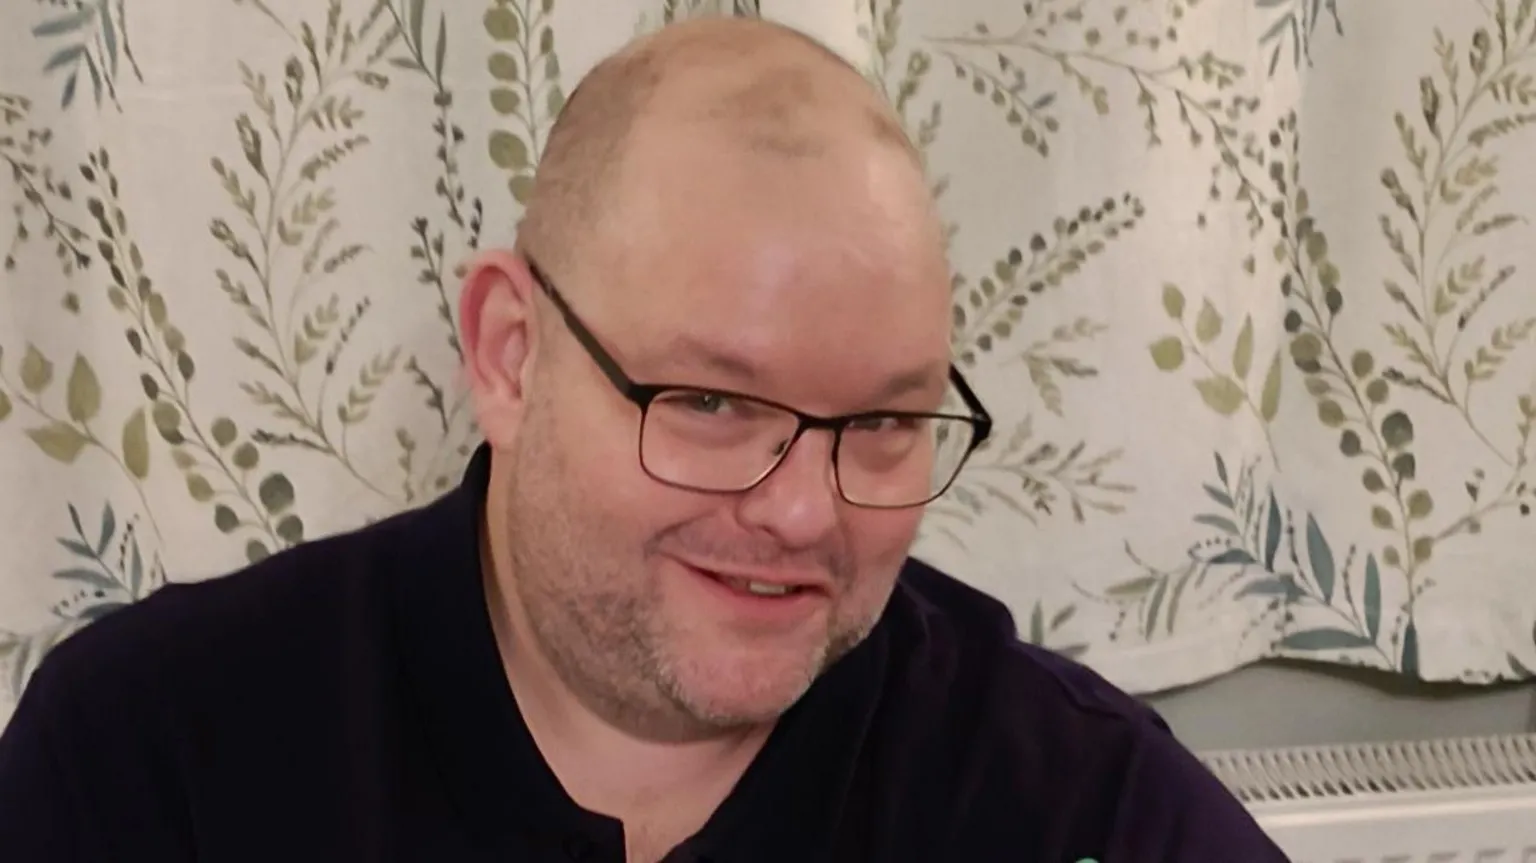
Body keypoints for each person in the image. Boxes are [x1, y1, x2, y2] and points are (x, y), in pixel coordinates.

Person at [0, 16, 1291, 863]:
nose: (802, 514)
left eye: (886, 422)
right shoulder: (147, 754)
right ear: (510, 351)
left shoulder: (1077, 804)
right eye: (713, 402)